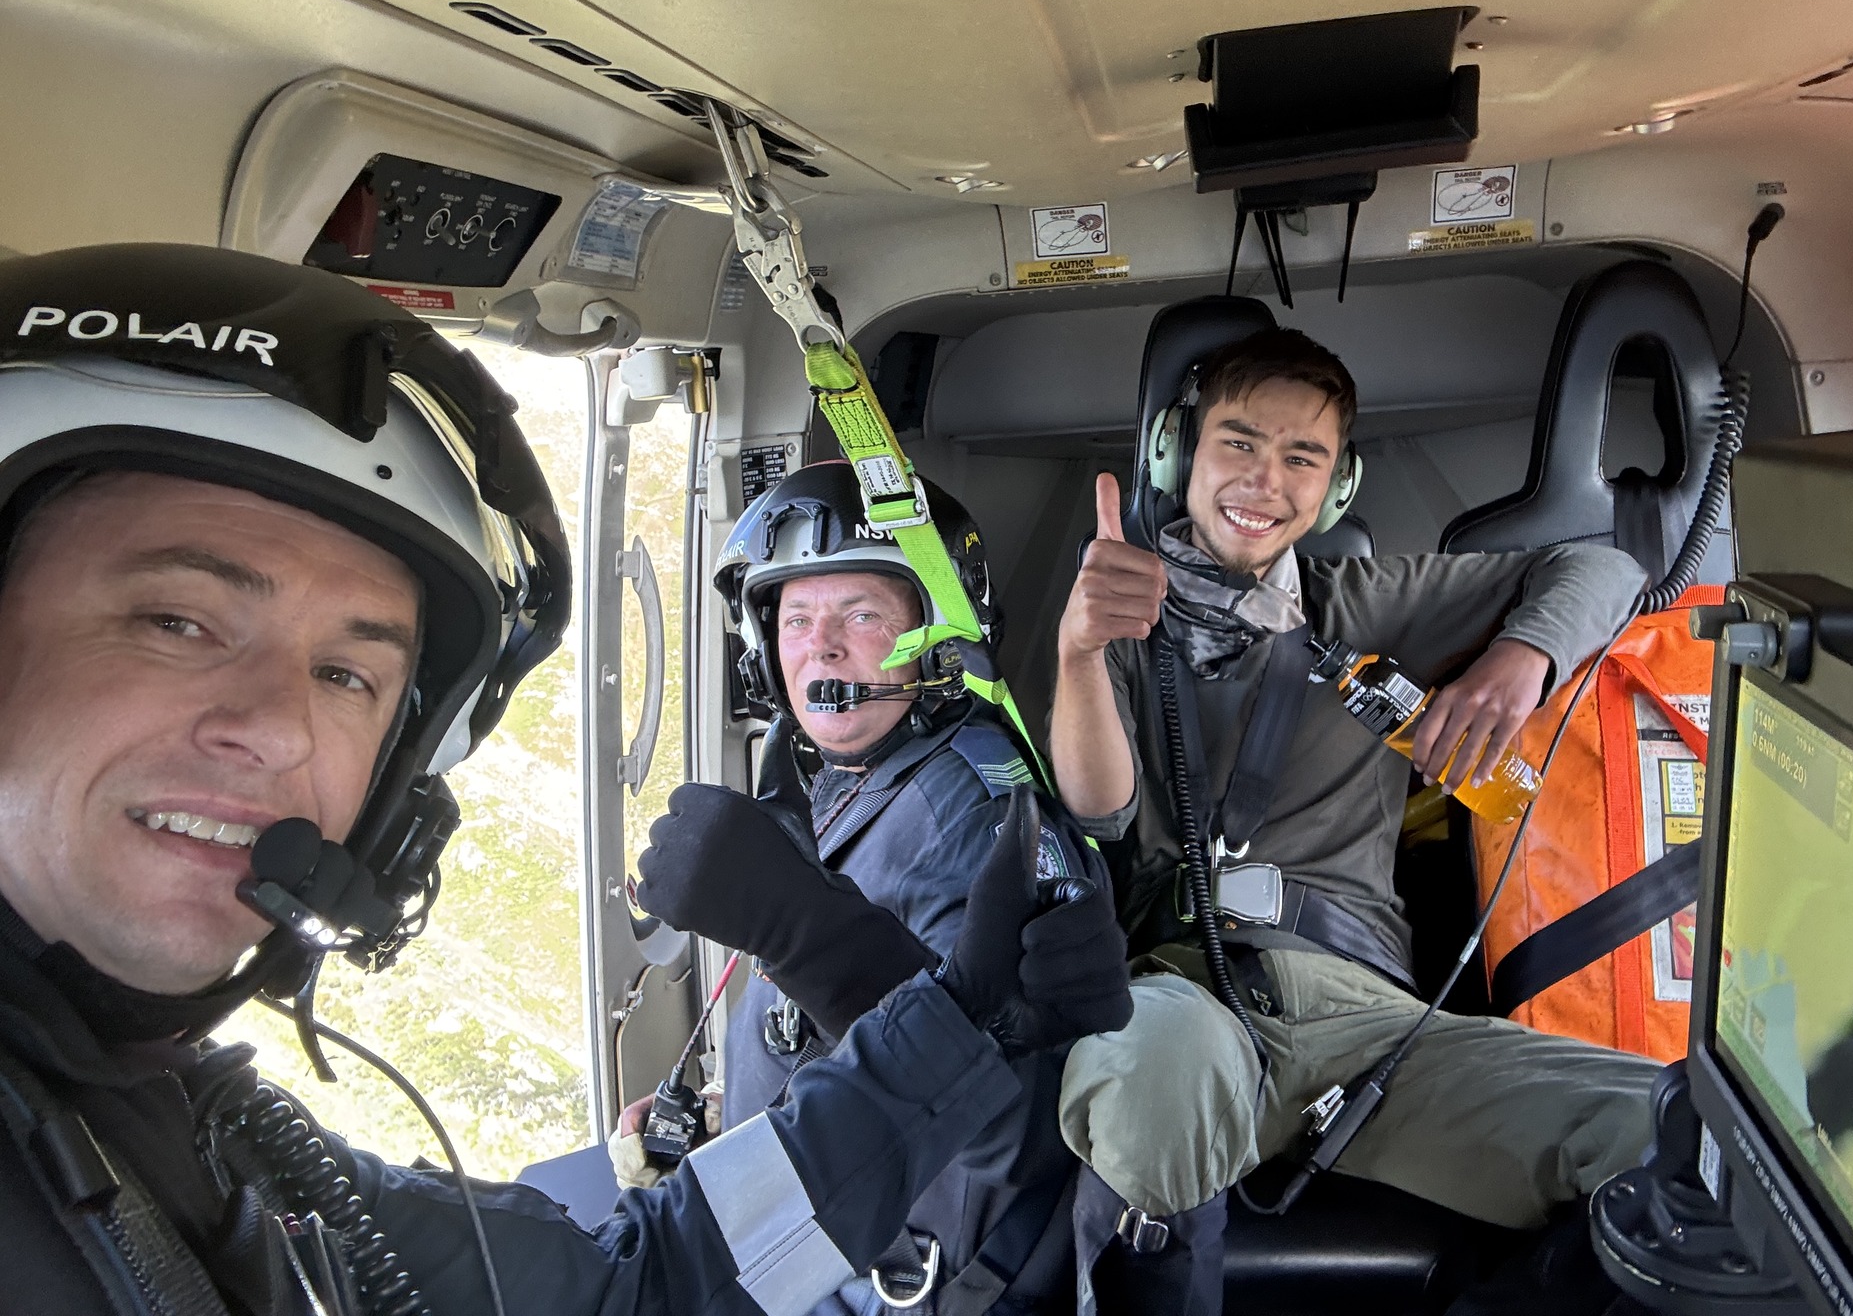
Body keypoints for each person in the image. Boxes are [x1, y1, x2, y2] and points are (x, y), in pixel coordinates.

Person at [0, 242, 1131, 1316]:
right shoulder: (811, 794)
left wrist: (885, 984)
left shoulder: (185, 1122)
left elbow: (951, 1188)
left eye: (347, 672)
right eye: (175, 621)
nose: (273, 730)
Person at [1050, 325, 1661, 1315]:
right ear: (1176, 454)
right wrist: (1080, 653)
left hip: (1373, 1027)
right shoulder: (1118, 608)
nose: (1265, 480)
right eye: (1238, 444)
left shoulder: (1370, 605)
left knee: (1673, 1133)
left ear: (1336, 488)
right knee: (1150, 1074)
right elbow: (1098, 810)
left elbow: (1604, 569)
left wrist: (1518, 659)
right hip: (1190, 996)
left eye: (1303, 458)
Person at [635, 462, 1100, 1314]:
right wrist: (718, 1106)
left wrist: (800, 930)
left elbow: (1006, 1123)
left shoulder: (971, 811)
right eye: (798, 618)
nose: (824, 646)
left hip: (903, 1278)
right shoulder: (856, 777)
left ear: (939, 637)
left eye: (862, 615)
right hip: (823, 1220)